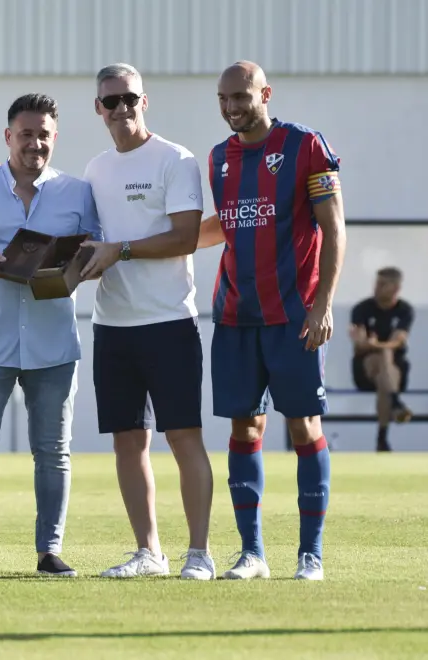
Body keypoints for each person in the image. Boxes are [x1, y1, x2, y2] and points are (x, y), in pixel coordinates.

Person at [0, 93, 103, 578]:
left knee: (53, 452)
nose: (35, 144)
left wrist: (76, 266)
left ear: (55, 137)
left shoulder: (77, 191)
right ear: (8, 137)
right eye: (25, 135)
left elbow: (94, 252)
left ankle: (49, 551)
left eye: (43, 135)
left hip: (53, 344)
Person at [197, 61, 346, 581]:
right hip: (236, 316)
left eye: (241, 96)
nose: (232, 107)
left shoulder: (306, 145)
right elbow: (224, 226)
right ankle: (252, 553)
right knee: (245, 426)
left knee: (304, 426)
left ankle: (311, 555)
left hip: (295, 316)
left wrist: (323, 303)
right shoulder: (219, 159)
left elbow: (333, 227)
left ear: (265, 93)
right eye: (224, 99)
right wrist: (139, 245)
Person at [78, 63, 215, 580]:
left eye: (129, 98)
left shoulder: (175, 160)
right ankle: (149, 553)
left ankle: (198, 554)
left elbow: (184, 237)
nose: (121, 108)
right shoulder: (94, 169)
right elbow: (93, 243)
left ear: (144, 99)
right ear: (98, 108)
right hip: (111, 326)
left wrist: (122, 251)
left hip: (168, 324)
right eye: (110, 100)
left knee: (184, 438)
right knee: (128, 442)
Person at [349, 267, 415, 452]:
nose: (376, 288)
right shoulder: (362, 309)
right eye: (377, 283)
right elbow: (360, 345)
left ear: (395, 288)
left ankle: (382, 440)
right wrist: (376, 346)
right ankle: (394, 405)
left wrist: (376, 344)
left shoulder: (404, 311)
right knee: (382, 358)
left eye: (382, 284)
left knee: (384, 372)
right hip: (365, 369)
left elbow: (398, 342)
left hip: (394, 373)